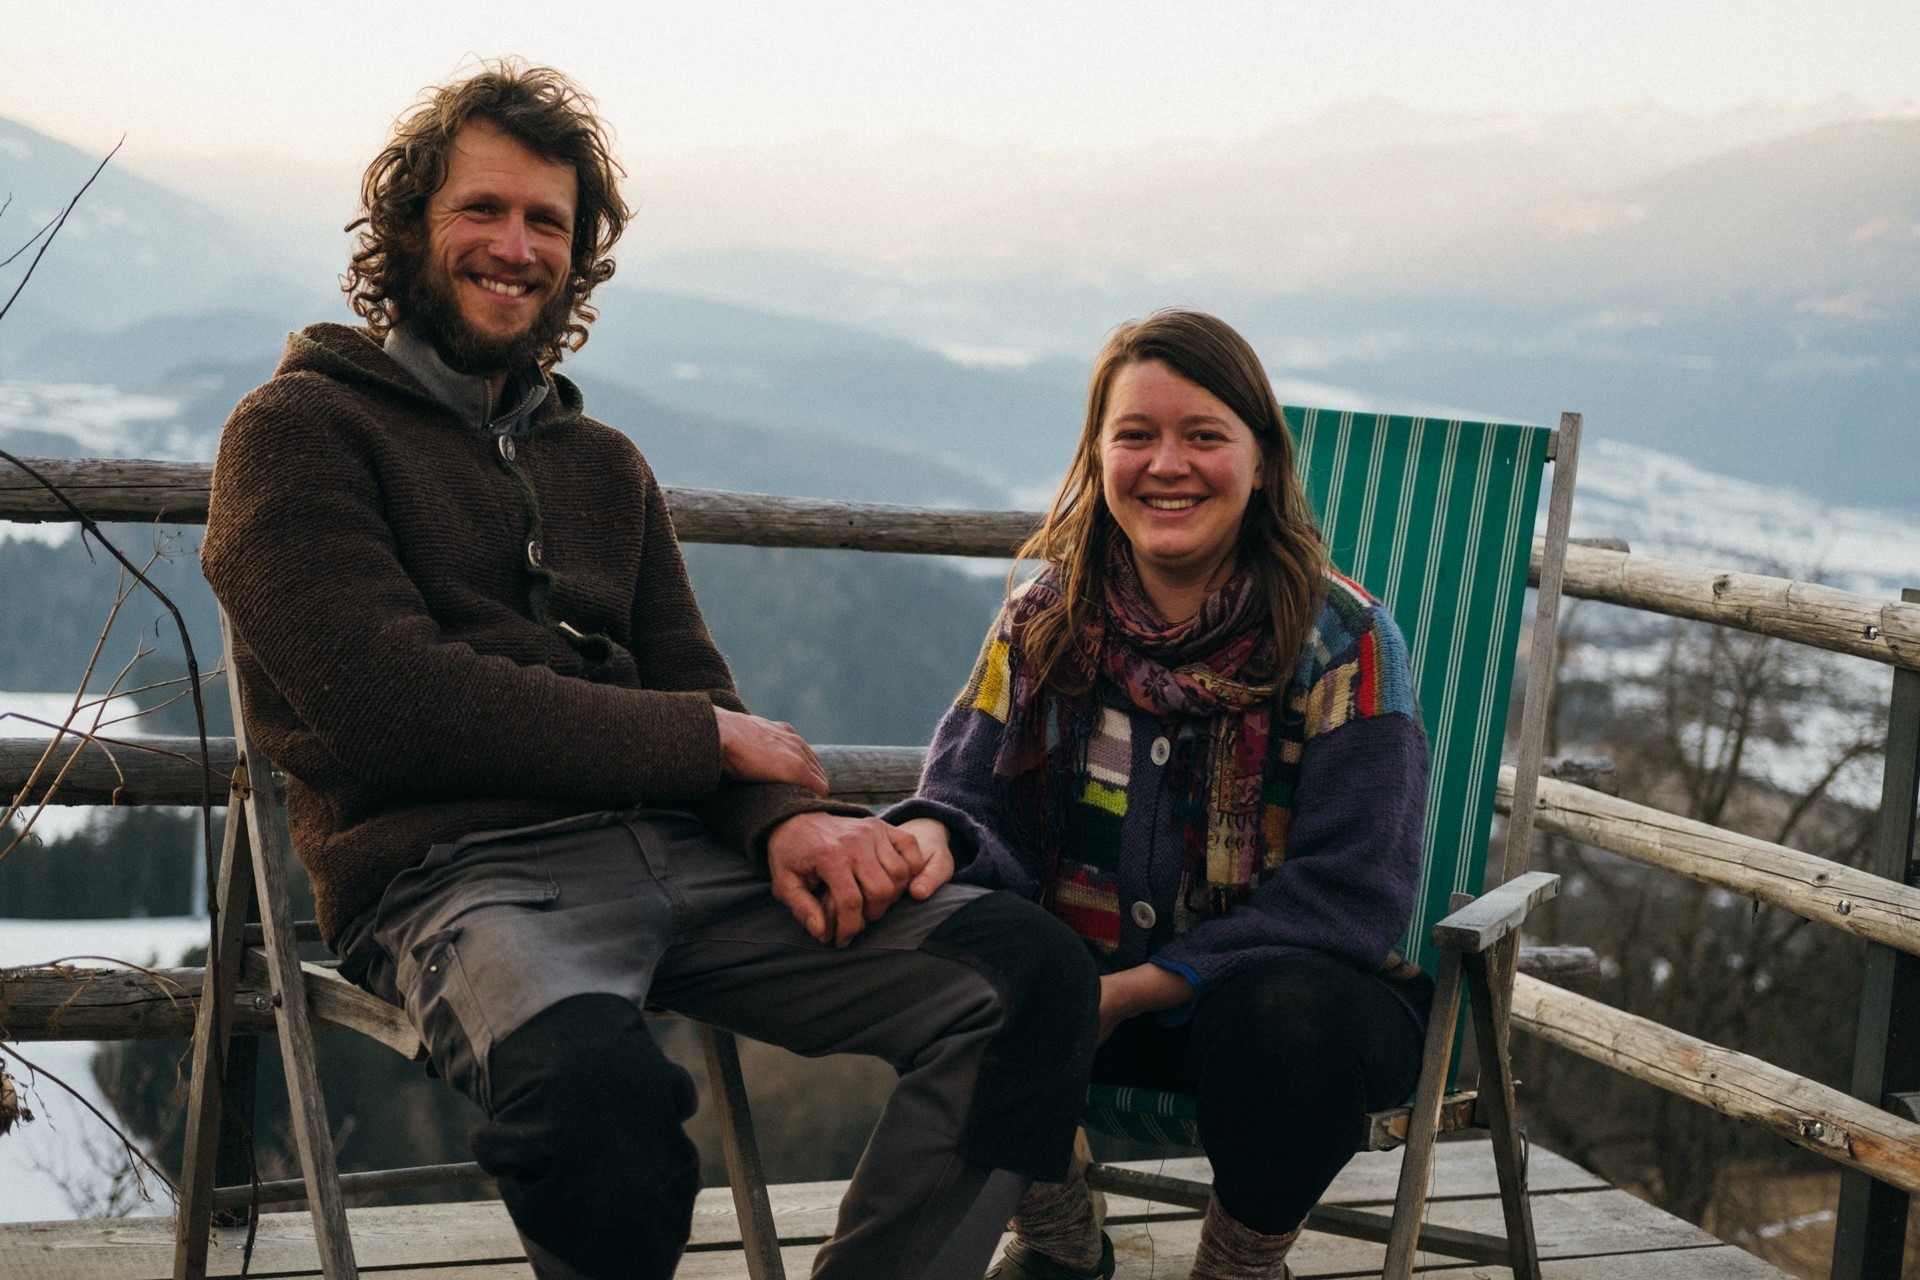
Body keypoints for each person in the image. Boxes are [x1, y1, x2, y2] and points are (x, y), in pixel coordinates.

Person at [200, 60, 1098, 1280]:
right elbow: (387, 705)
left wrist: (780, 822)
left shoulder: (603, 463)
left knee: (1025, 974)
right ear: (409, 224)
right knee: (604, 1114)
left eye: (548, 224)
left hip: (684, 857)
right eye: (484, 209)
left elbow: (697, 686)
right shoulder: (297, 431)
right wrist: (706, 747)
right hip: (463, 882)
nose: (516, 246)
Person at [886, 310, 1434, 1280]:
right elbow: (969, 795)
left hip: (1275, 1018)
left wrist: (1144, 986)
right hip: (1067, 996)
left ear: (1260, 460)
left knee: (1290, 1019)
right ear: (1098, 459)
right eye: (1135, 435)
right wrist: (930, 836)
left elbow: (1354, 888)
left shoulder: (1344, 642)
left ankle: (1237, 1265)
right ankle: (1057, 1238)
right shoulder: (1045, 622)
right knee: (934, 950)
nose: (1166, 462)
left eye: (1204, 435)